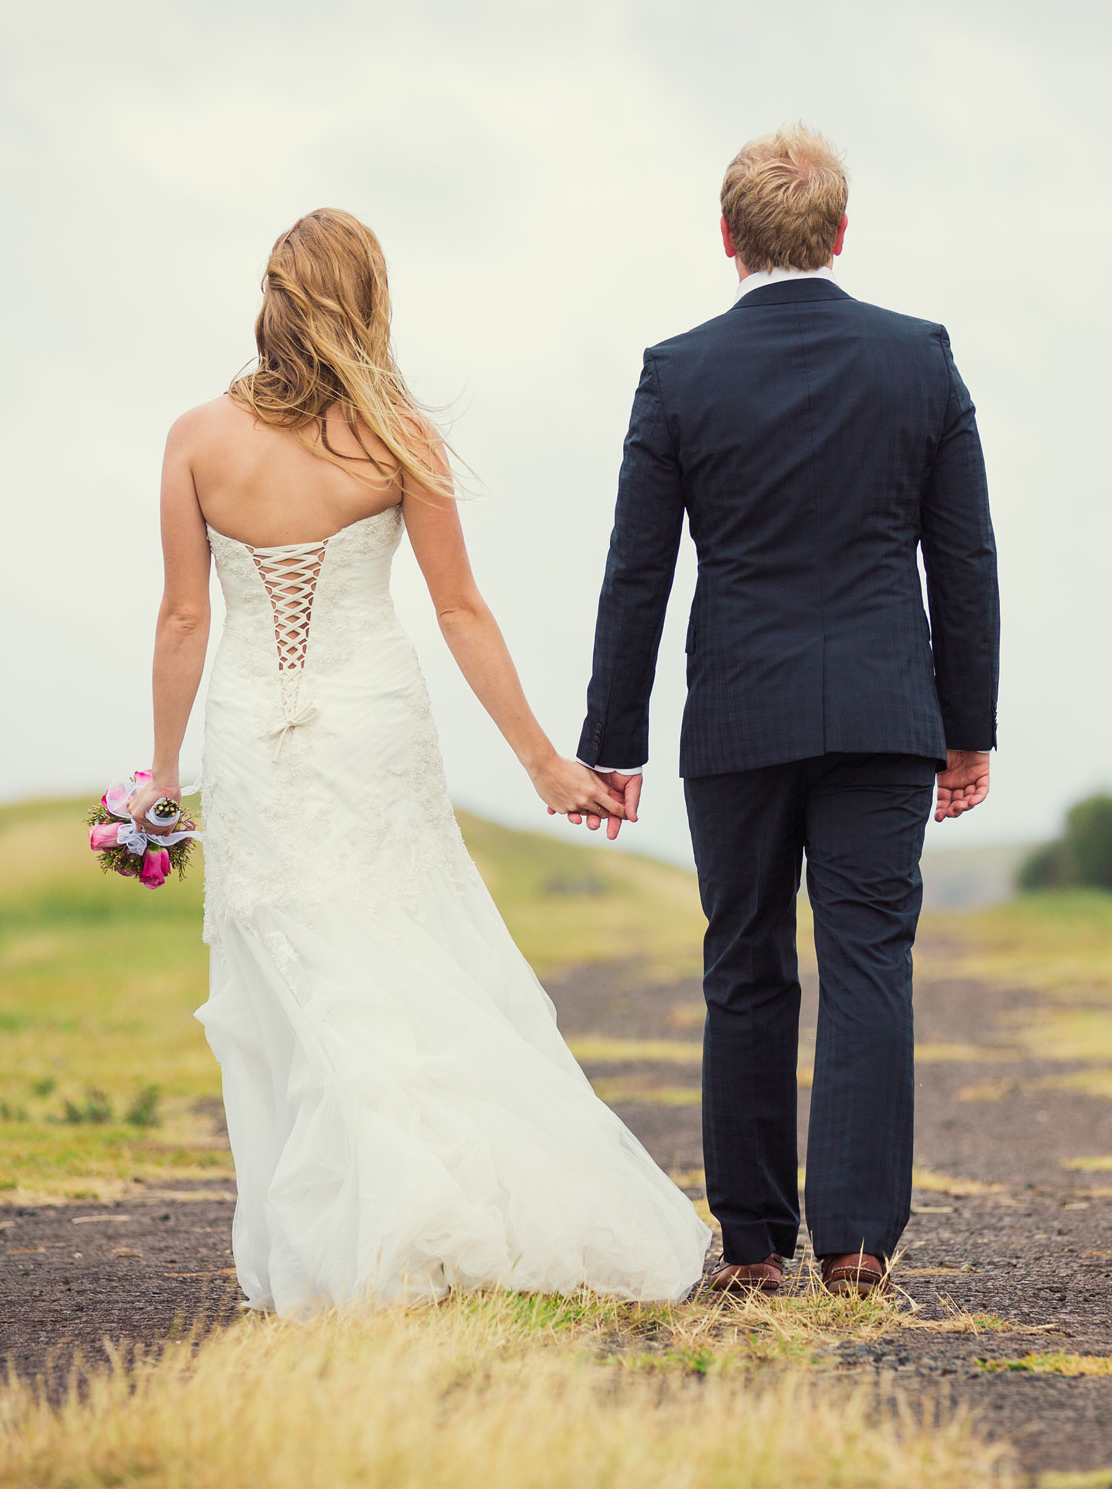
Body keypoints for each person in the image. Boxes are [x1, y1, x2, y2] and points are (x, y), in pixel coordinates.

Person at [143, 208, 712, 1313]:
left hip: (253, 731)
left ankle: (377, 1230)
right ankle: (410, 1214)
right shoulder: (400, 437)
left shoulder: (194, 440)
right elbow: (461, 609)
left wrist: (161, 782)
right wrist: (544, 759)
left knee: (301, 977)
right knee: (399, 953)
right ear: (366, 301)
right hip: (371, 723)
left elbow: (180, 619)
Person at [576, 125, 1001, 1296]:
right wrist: (969, 728)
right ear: (840, 233)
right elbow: (963, 559)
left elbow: (637, 571)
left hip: (738, 716)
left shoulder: (678, 372)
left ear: (727, 240)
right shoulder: (920, 359)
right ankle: (858, 1243)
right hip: (881, 712)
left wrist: (613, 743)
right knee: (868, 960)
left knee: (745, 963)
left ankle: (755, 1244)